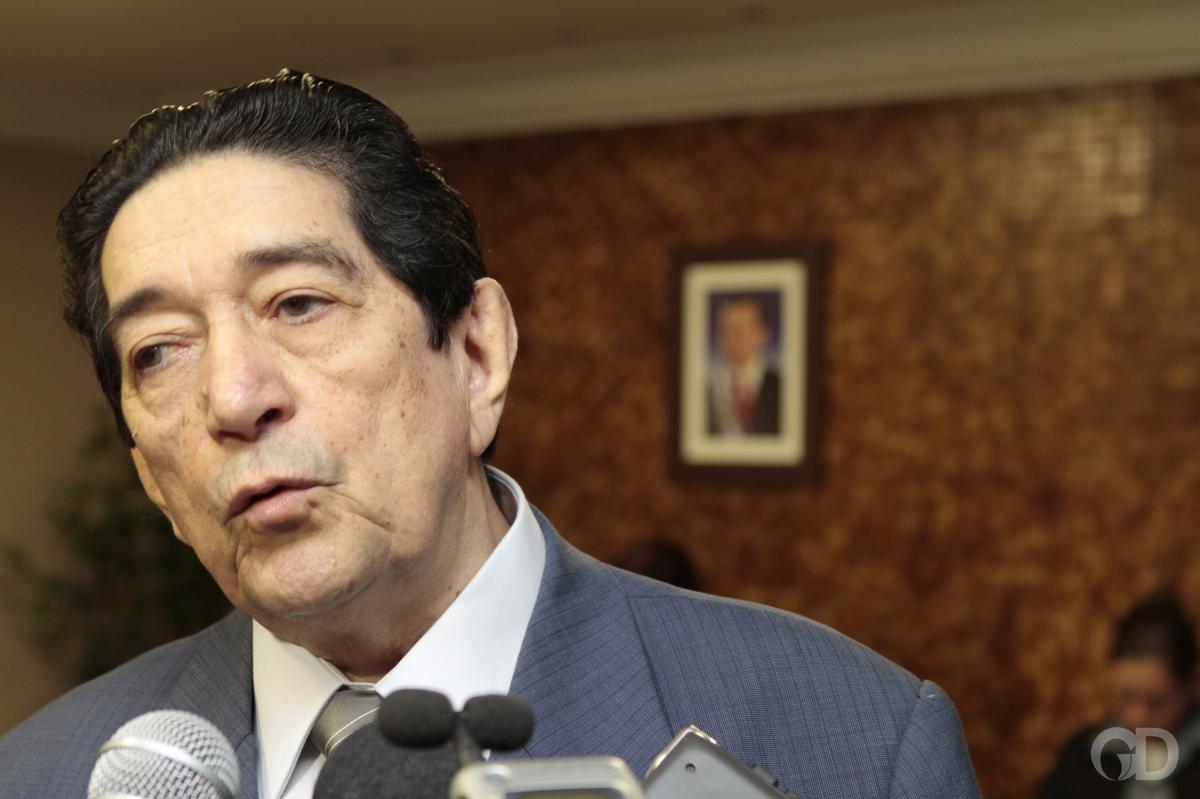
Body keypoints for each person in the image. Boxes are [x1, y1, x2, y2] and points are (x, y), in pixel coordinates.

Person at [0, 70, 981, 798]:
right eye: (160, 351)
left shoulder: (855, 740)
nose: (232, 396)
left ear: (476, 353)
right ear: (153, 479)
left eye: (298, 302)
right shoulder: (40, 772)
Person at [1037, 591, 1200, 798]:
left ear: (1188, 687)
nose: (1138, 717)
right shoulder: (1085, 753)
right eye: (1126, 697)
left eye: (1157, 702)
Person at [707, 294, 782, 436]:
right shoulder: (706, 389)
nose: (739, 336)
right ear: (719, 336)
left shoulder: (784, 386)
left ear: (764, 333)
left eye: (746, 327)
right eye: (730, 328)